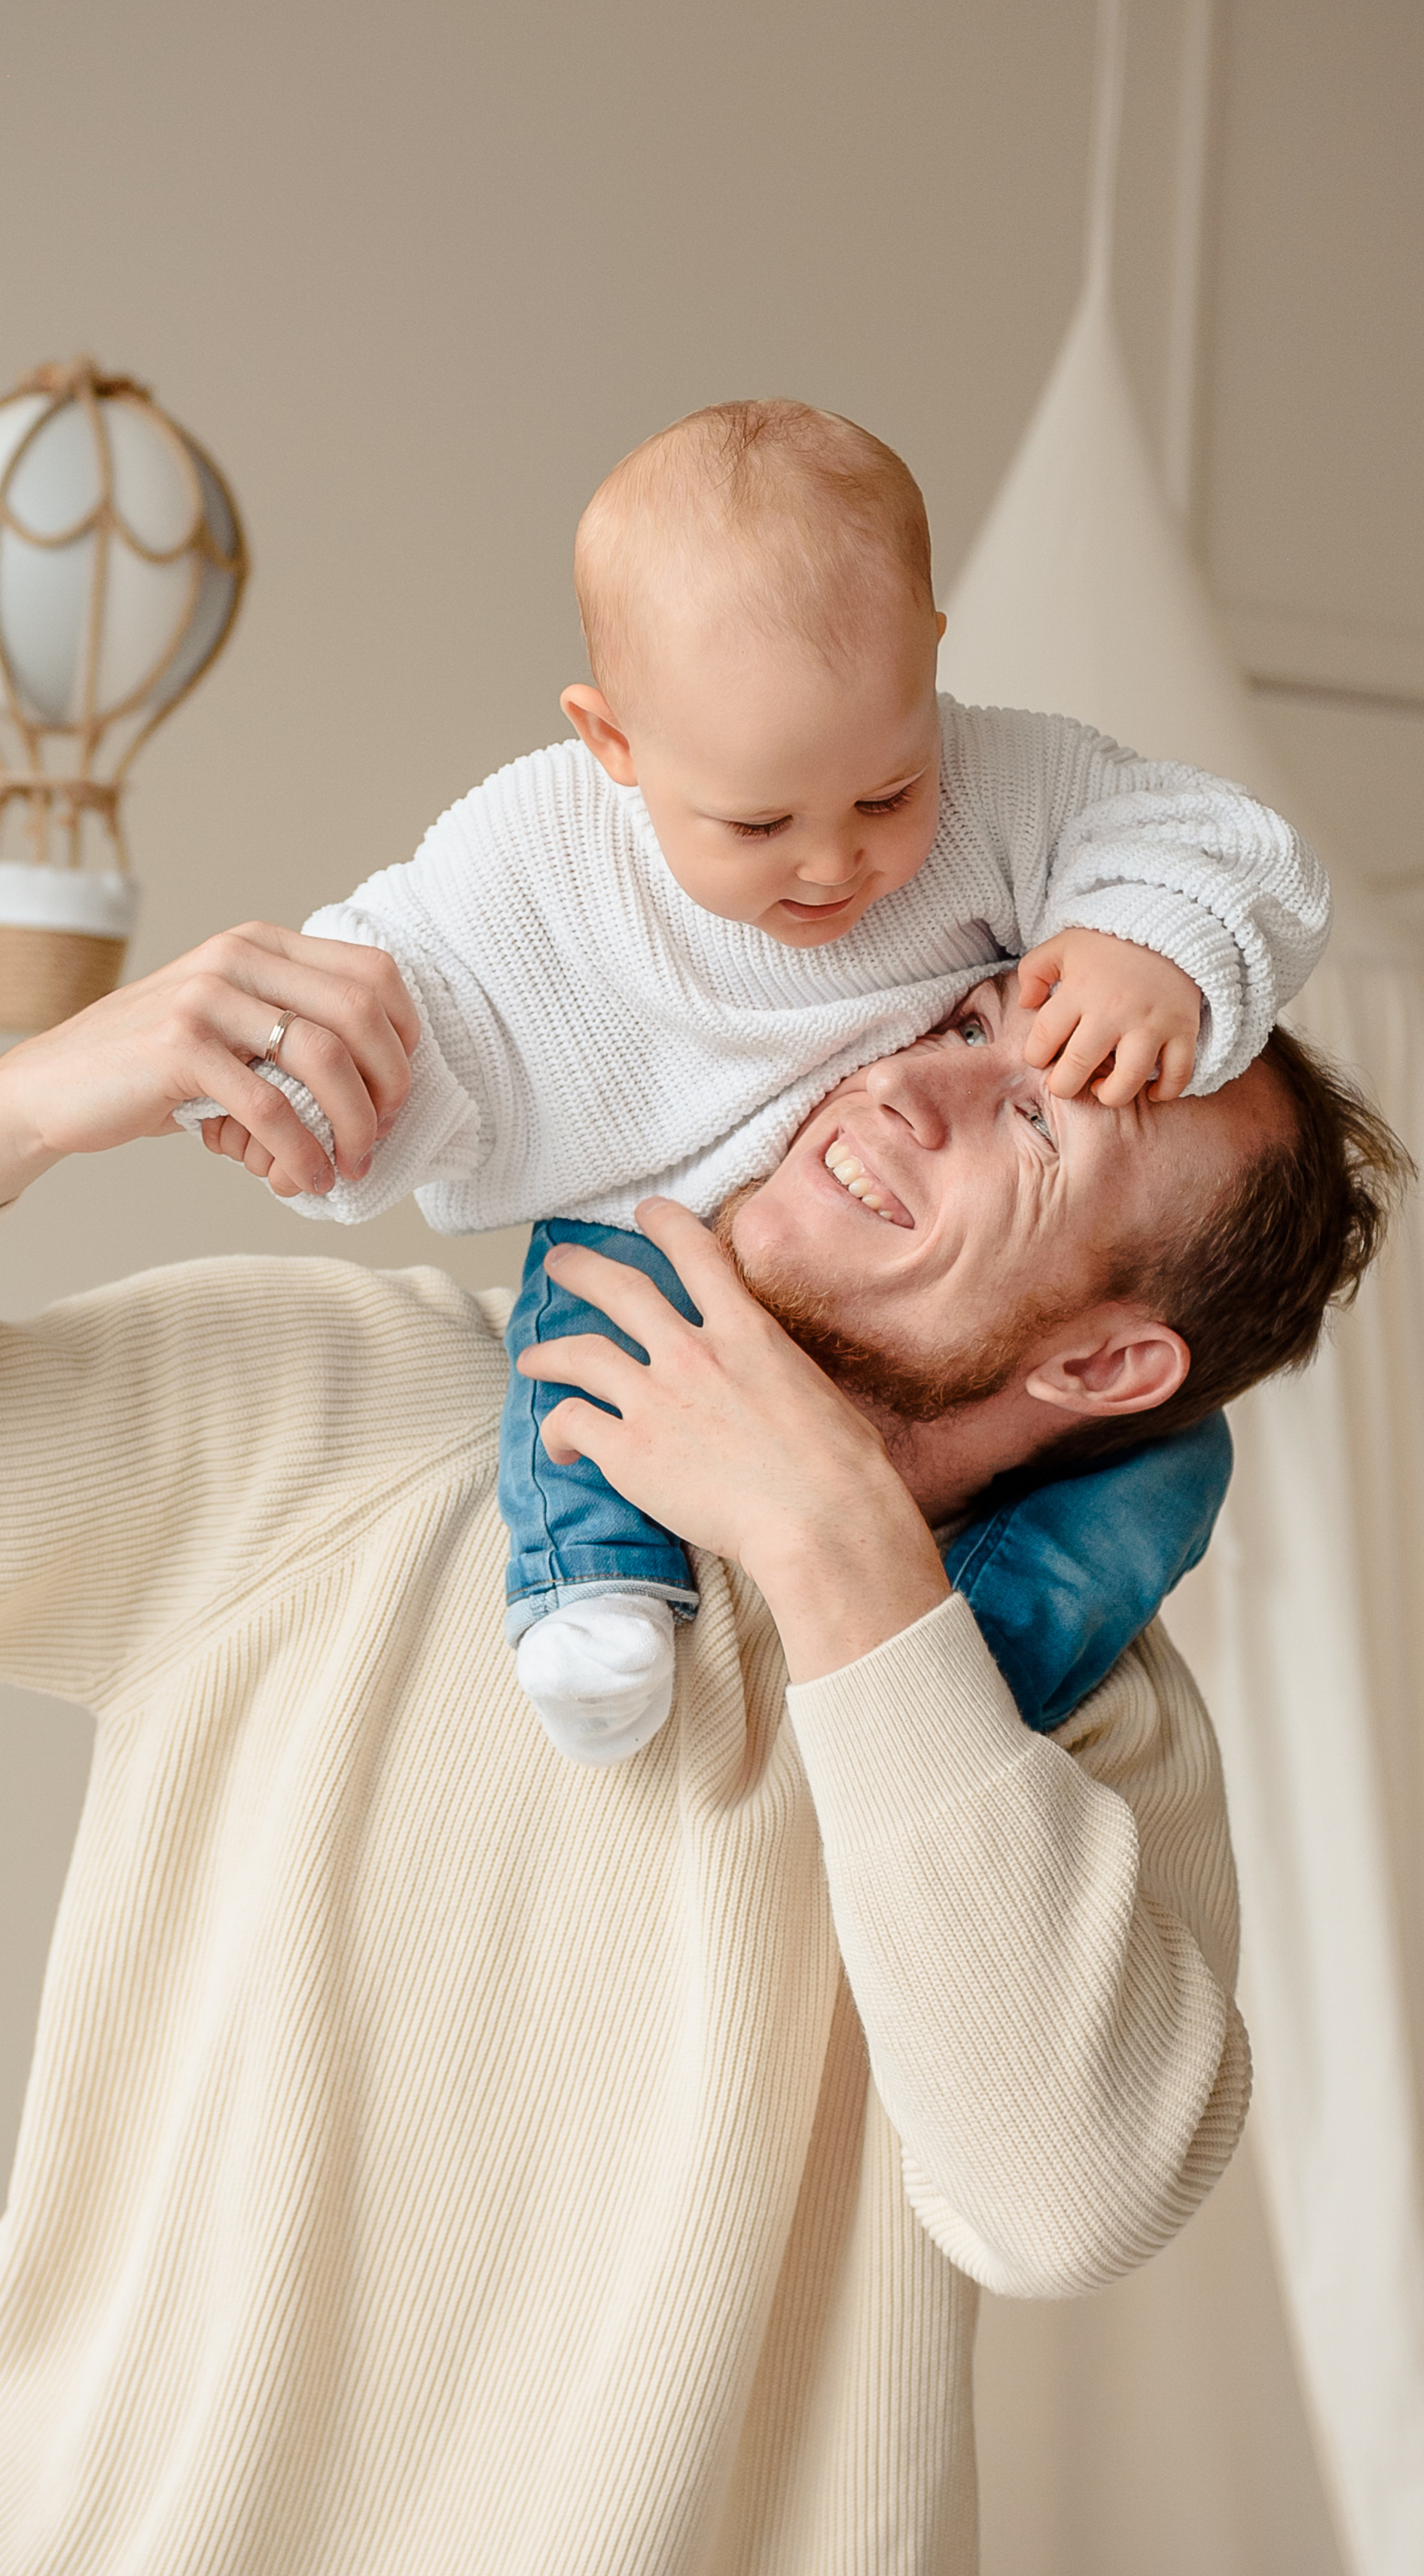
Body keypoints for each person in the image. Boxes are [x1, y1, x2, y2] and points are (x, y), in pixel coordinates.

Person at [0, 942, 1404, 2576]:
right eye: (961, 1022)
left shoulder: (1081, 1734)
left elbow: (1069, 2197)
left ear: (1104, 1368)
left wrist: (841, 1559)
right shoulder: (358, 1413)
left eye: (1030, 1117)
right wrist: (11, 1116)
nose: (904, 1089)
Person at [184, 401, 1331, 1763]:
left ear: (932, 670)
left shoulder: (1006, 786)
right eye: (759, 824)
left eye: (890, 794)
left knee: (1178, 1466)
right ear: (612, 742)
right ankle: (588, 1593)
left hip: (945, 1738)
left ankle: (967, 1688)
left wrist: (1154, 939)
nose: (835, 865)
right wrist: (306, 1097)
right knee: (596, 1323)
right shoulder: (541, 862)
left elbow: (1202, 838)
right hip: (658, 1217)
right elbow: (404, 982)